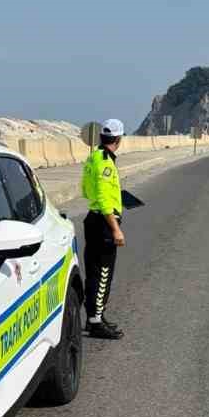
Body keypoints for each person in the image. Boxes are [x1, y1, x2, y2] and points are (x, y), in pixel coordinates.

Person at [80, 118, 126, 340]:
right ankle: (96, 321)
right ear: (118, 139)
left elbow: (86, 190)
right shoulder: (106, 163)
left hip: (93, 219)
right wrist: (115, 228)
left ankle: (94, 317)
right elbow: (103, 199)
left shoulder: (94, 157)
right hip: (104, 223)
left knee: (93, 272)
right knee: (103, 274)